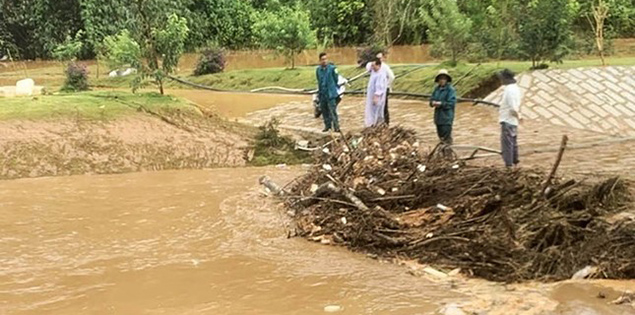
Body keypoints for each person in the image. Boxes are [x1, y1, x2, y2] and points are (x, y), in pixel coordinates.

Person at [498, 69, 522, 168]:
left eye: (502, 78)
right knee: (513, 142)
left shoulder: (509, 90)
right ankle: (515, 162)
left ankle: (509, 166)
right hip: (512, 121)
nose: (500, 80)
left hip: (508, 120)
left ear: (506, 78)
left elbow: (513, 108)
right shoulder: (515, 88)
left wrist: (519, 116)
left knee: (507, 144)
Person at [366, 52, 395, 124]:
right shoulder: (373, 67)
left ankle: (385, 123)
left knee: (383, 106)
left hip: (383, 89)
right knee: (372, 107)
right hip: (374, 90)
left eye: (380, 58)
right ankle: (374, 122)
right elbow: (368, 67)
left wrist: (387, 85)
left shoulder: (385, 67)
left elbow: (391, 77)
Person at [315, 52, 341, 132]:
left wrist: (333, 89)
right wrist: (319, 94)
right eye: (322, 59)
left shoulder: (332, 68)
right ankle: (327, 126)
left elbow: (336, 79)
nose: (324, 61)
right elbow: (319, 80)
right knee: (324, 110)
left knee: (332, 110)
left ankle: (336, 127)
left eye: (325, 59)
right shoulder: (318, 70)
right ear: (320, 60)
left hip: (331, 93)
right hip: (322, 93)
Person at [430, 69, 457, 145]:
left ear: (447, 80)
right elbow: (431, 99)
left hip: (446, 119)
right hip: (438, 119)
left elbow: (451, 103)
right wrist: (432, 103)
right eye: (440, 78)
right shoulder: (436, 89)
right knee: (441, 138)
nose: (442, 80)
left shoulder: (451, 90)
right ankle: (444, 154)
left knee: (446, 139)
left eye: (444, 78)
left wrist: (441, 104)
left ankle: (448, 154)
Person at [365, 58, 388, 127]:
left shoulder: (381, 74)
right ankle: (370, 124)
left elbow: (380, 87)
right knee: (370, 110)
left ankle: (376, 125)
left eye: (374, 65)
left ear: (378, 65)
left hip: (377, 96)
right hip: (371, 94)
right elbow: (368, 66)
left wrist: (376, 96)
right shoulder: (373, 71)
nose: (372, 67)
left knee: (377, 110)